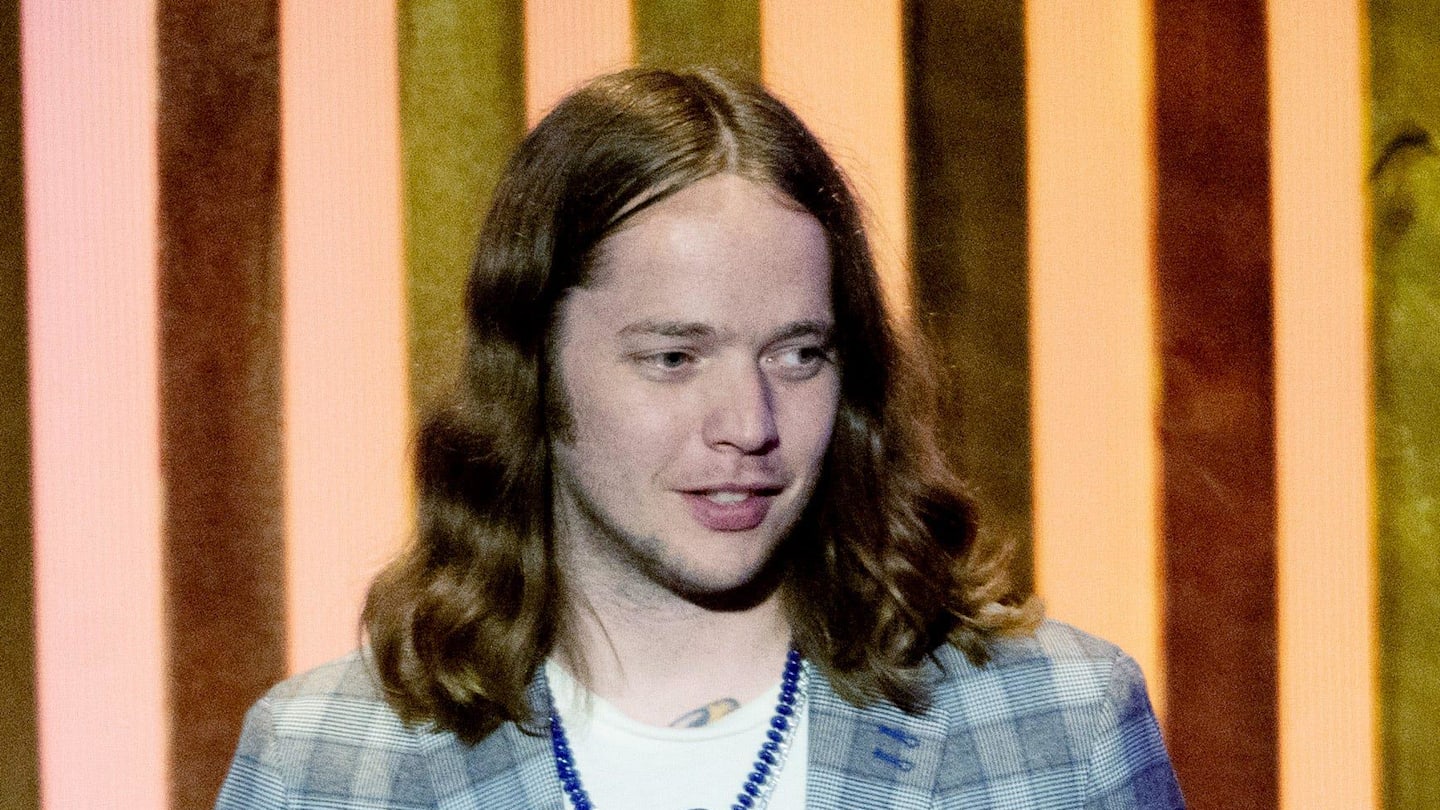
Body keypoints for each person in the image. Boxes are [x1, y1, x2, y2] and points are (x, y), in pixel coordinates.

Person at [216, 67, 1184, 809]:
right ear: (533, 365)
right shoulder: (325, 765)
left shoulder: (1061, 727)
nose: (750, 427)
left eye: (798, 355)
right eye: (675, 357)